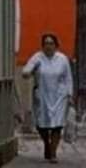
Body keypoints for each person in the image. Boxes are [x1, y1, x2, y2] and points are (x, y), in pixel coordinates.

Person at [22, 32, 74, 163]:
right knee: (41, 124)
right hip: (42, 95)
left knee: (57, 125)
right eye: (46, 43)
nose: (48, 46)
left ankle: (53, 152)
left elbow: (68, 78)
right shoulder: (37, 58)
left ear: (56, 45)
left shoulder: (62, 59)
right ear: (42, 46)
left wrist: (70, 94)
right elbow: (26, 70)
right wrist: (28, 72)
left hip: (59, 96)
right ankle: (46, 142)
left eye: (51, 43)